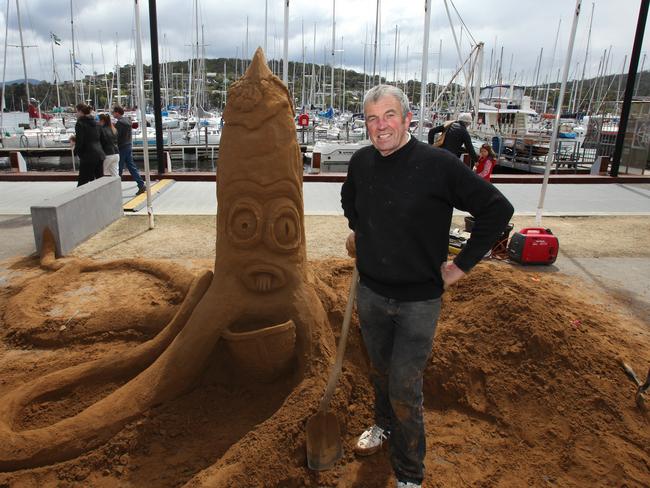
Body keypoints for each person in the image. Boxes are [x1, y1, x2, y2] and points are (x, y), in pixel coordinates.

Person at [341, 85, 513, 488]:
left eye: (388, 116)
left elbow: (497, 210)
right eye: (372, 118)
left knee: (404, 384)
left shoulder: (438, 164)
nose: (380, 126)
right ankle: (382, 425)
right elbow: (350, 201)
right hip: (371, 293)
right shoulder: (362, 162)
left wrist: (459, 267)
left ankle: (409, 475)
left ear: (407, 119)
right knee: (381, 372)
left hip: (419, 301)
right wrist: (360, 231)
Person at [112, 105, 146, 196]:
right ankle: (141, 184)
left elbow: (117, 137)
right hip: (128, 145)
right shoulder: (128, 120)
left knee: (119, 169)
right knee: (131, 167)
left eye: (113, 112)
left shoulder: (119, 123)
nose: (112, 114)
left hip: (122, 147)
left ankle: (116, 190)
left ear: (117, 113)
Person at [73, 103, 105, 186]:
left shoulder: (80, 124)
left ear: (80, 112)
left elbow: (80, 141)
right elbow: (102, 139)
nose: (76, 114)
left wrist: (76, 151)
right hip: (99, 154)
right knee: (99, 180)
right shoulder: (97, 124)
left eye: (76, 111)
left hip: (88, 155)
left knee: (82, 182)